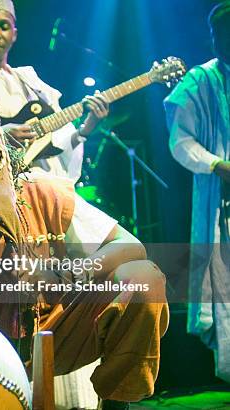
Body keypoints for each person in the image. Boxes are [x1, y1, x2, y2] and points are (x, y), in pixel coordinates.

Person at [0, 88, 168, 410]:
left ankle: (118, 402)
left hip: (46, 338)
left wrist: (66, 274)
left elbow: (131, 246)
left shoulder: (38, 190)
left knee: (142, 280)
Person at [0, 0, 109, 182]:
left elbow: (58, 143)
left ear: (14, 35)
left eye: (3, 27)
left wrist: (87, 127)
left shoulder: (31, 83)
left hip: (36, 181)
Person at [163, 1, 230, 382]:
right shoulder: (199, 80)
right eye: (221, 34)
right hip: (223, 202)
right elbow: (179, 141)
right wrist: (217, 165)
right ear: (213, 38)